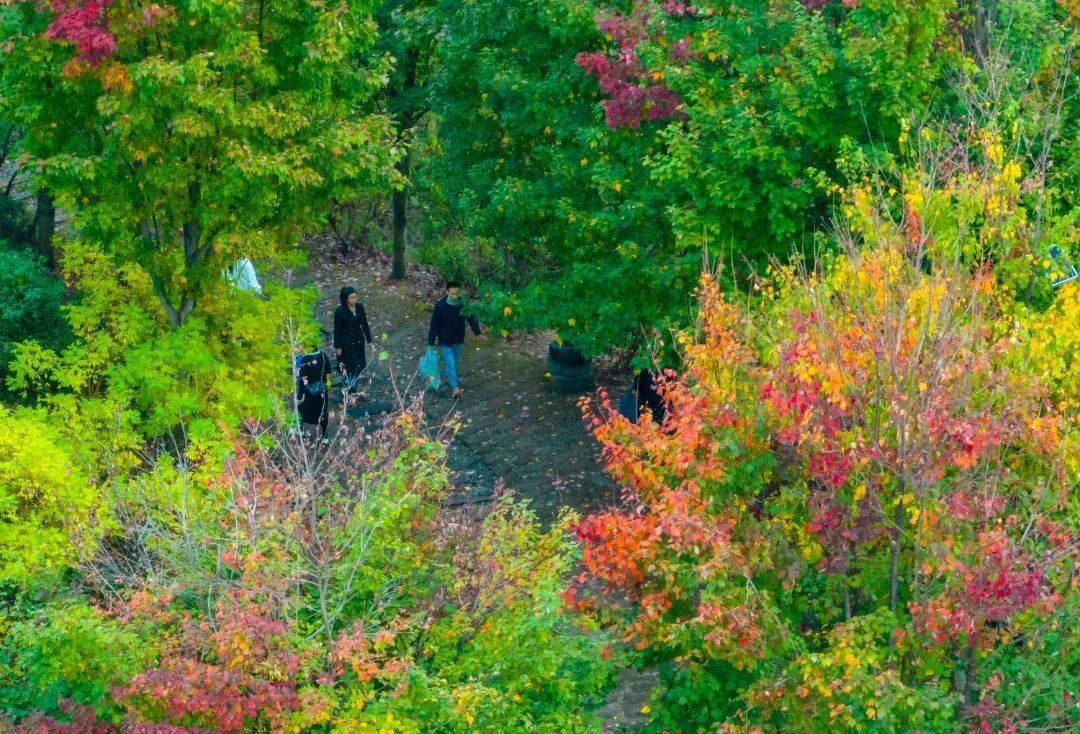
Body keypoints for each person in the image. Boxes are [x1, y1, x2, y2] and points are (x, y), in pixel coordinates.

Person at [427, 281, 482, 398]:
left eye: (456, 293)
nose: (454, 296)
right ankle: (455, 387)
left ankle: (447, 375)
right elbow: (434, 325)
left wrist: (477, 332)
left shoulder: (463, 303)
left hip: (458, 337)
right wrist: (431, 342)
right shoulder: (440, 306)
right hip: (444, 339)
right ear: (447, 292)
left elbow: (471, 318)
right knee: (450, 362)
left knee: (455, 360)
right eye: (452, 294)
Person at [333, 285, 373, 394]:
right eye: (351, 298)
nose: (354, 300)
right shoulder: (340, 312)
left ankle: (355, 379)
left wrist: (369, 340)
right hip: (347, 342)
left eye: (355, 297)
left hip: (358, 340)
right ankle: (351, 385)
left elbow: (364, 324)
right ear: (346, 299)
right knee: (350, 363)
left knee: (359, 360)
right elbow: (337, 330)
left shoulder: (359, 307)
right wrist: (338, 346)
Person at [295, 345, 331, 442]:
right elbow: (328, 373)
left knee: (302, 409)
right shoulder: (323, 356)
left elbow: (302, 378)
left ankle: (301, 430)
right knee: (322, 411)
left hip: (308, 392)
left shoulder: (305, 359)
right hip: (321, 392)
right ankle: (325, 437)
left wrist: (301, 393)